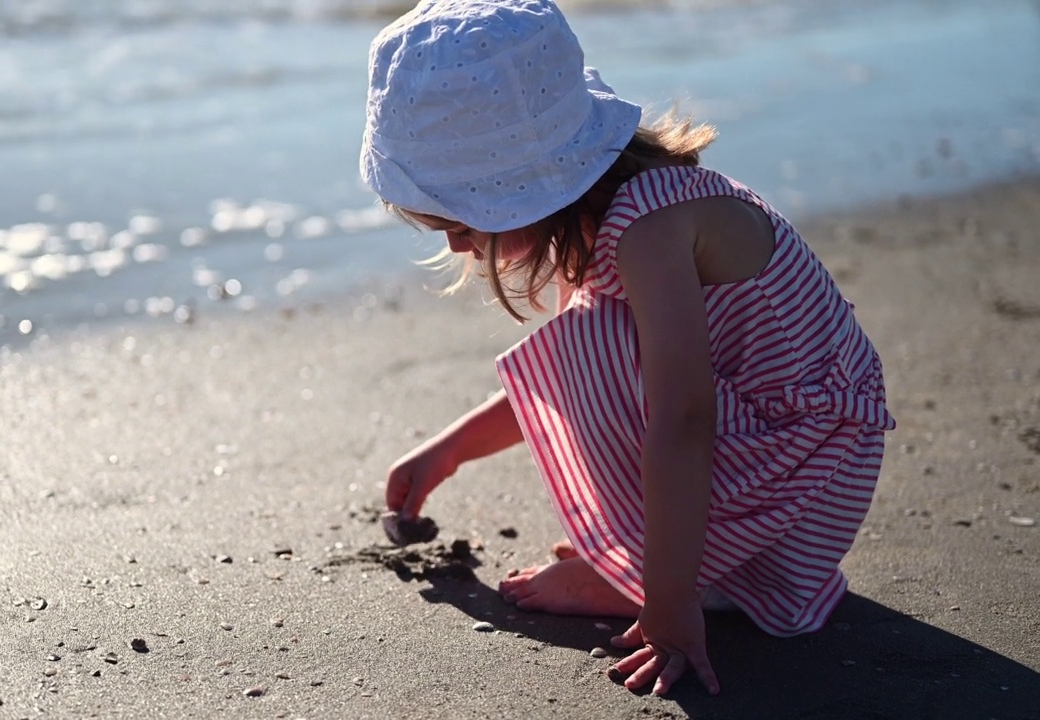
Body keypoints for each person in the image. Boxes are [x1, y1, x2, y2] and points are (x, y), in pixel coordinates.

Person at [360, 0, 895, 697]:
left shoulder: (649, 230)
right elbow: (595, 385)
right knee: (588, 339)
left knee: (588, 340)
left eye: (462, 221)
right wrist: (448, 450)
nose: (458, 244)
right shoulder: (630, 212)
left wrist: (663, 599)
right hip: (791, 472)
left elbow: (683, 417)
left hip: (806, 482)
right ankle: (690, 568)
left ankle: (671, 581)